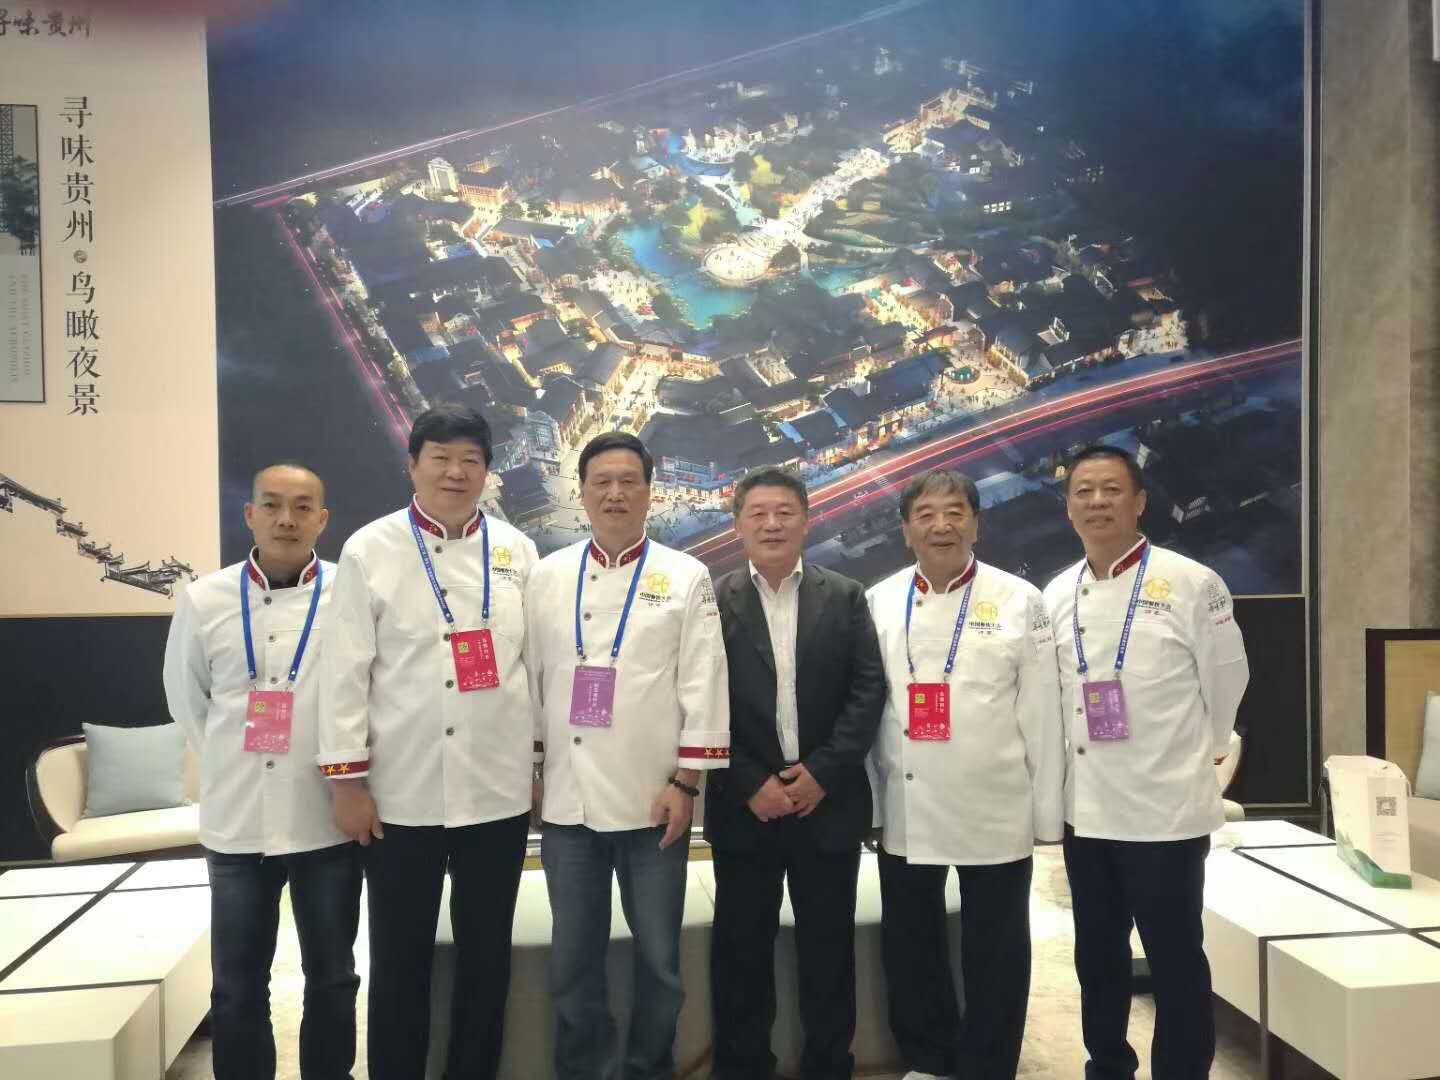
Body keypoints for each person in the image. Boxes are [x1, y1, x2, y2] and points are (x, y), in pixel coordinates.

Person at [318, 404, 540, 1080]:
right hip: (401, 795)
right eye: (440, 457)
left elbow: (534, 668)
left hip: (496, 792)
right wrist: (347, 784)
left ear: (487, 472)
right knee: (399, 958)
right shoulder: (370, 549)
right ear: (412, 465)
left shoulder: (517, 551)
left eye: (470, 459)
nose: (455, 472)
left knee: (486, 957)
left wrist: (536, 764)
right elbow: (345, 670)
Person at [527, 431, 730, 1080]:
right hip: (569, 804)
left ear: (649, 492)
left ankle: (647, 1068)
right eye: (601, 482)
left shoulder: (685, 575)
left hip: (654, 801)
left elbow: (704, 682)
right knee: (572, 961)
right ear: (583, 492)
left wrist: (687, 783)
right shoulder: (547, 575)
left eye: (628, 481)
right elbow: (532, 679)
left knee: (660, 961)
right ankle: (585, 1070)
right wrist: (534, 768)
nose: (615, 493)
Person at [1042, 445, 1249, 1080]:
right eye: (1083, 491)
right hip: (1088, 810)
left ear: (1139, 502)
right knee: (1097, 955)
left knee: (1175, 956)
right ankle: (1107, 1064)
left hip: (1165, 810)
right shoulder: (1057, 592)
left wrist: (1200, 752)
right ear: (1068, 508)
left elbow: (1227, 681)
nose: (1097, 502)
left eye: (1111, 489)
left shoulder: (1191, 582)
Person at [163, 463, 360, 1080]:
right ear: (249, 515)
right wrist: (235, 759)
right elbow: (187, 702)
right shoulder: (205, 598)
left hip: (323, 817)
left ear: (322, 520)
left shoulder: (350, 594)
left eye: (302, 507)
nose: (286, 519)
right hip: (238, 823)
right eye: (271, 505)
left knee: (333, 977)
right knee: (237, 984)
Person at [865, 470, 1063, 1080]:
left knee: (996, 949)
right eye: (925, 515)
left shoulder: (1019, 600)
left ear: (976, 523)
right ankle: (927, 1059)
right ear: (906, 530)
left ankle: (988, 1065)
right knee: (911, 943)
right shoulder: (878, 600)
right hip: (908, 800)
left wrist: (1047, 814)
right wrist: (872, 804)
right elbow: (868, 711)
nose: (941, 526)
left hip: (996, 800)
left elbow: (1042, 712)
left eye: (955, 512)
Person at [705, 467, 886, 1080]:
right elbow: (701, 698)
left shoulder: (846, 596)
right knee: (741, 953)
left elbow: (867, 690)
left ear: (807, 521)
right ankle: (742, 1068)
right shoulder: (711, 602)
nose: (772, 524)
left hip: (825, 805)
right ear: (738, 525)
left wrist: (822, 773)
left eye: (785, 512)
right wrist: (749, 781)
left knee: (829, 952)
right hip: (745, 805)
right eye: (758, 514)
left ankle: (829, 1066)